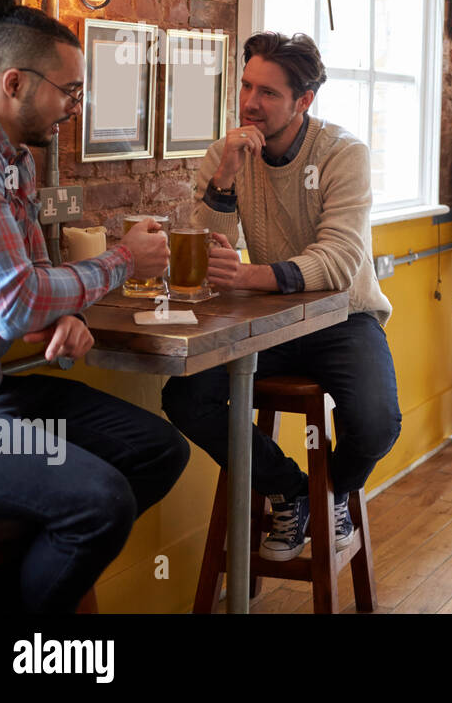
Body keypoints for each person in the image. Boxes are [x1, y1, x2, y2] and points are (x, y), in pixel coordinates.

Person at [0, 0, 186, 612]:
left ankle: (14, 604)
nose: (74, 106)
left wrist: (69, 312)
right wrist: (122, 263)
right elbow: (12, 305)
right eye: (70, 90)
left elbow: (34, 277)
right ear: (14, 82)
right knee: (100, 501)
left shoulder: (13, 160)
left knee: (157, 449)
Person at [162, 32, 401, 561]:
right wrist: (223, 180)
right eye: (247, 85)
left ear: (304, 100)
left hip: (342, 315)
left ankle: (332, 493)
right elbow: (206, 253)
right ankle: (291, 490)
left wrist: (248, 277)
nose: (250, 102)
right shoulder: (225, 155)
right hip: (266, 319)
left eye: (268, 93)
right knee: (185, 398)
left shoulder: (343, 153)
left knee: (376, 422)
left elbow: (340, 262)